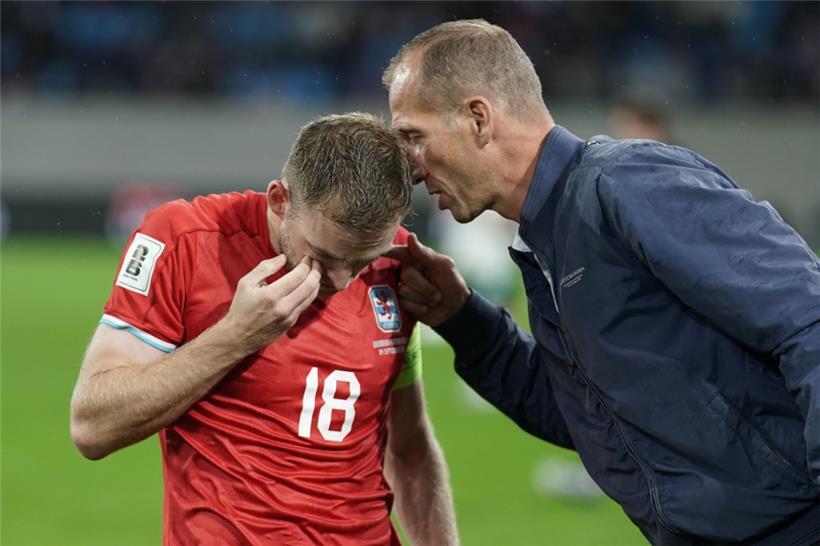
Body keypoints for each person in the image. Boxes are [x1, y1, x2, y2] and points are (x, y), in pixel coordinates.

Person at [383, 19, 820, 545]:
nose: (409, 167)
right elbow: (589, 415)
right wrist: (465, 320)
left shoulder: (626, 184)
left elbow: (806, 319)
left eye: (414, 137)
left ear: (479, 119)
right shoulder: (550, 236)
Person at [70, 113, 459, 546]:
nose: (345, 280)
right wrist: (235, 337)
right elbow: (93, 425)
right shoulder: (184, 239)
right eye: (326, 255)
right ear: (279, 200)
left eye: (363, 260)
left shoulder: (400, 264)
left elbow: (408, 448)